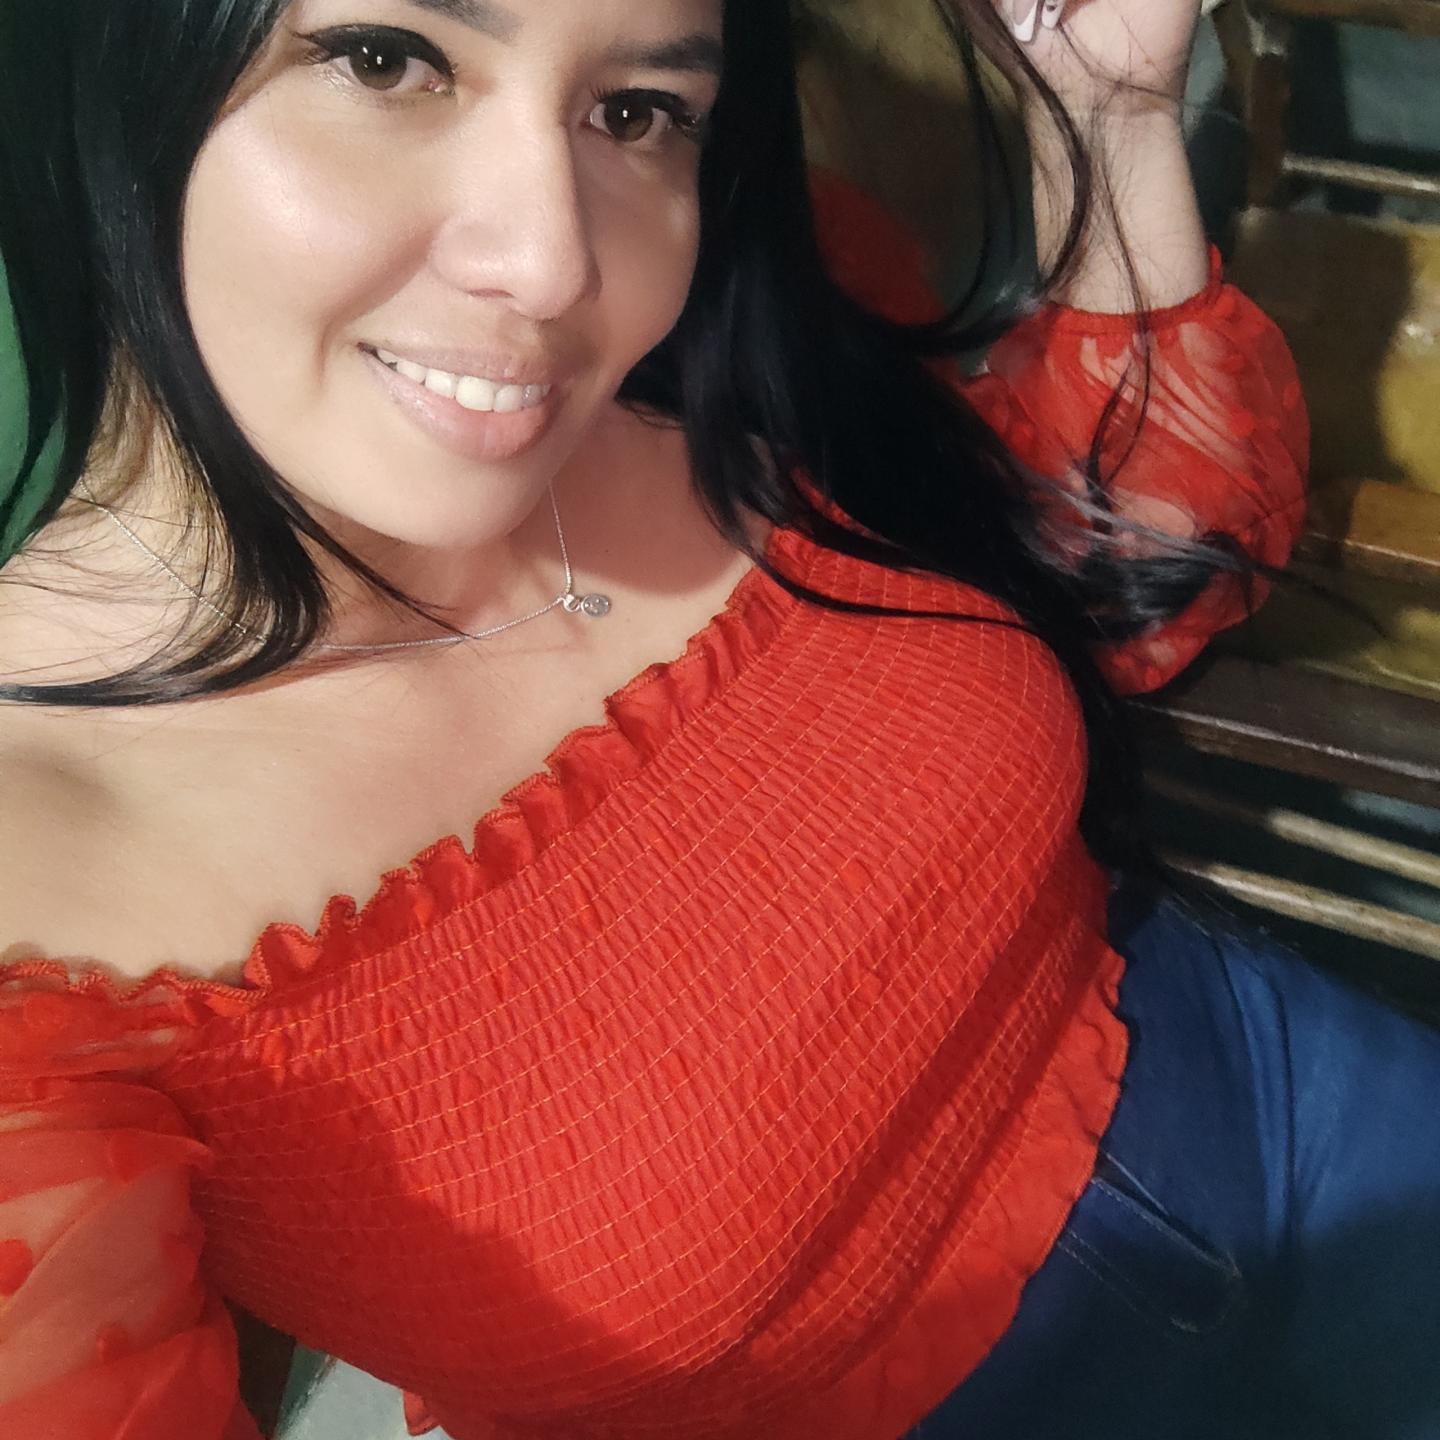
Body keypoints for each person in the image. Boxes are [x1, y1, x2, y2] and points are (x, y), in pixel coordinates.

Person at [0, 2, 1436, 1438]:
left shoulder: (703, 357)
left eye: (637, 112)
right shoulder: (36, 892)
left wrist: (1109, 113)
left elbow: (1133, 574)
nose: (555, 263)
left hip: (1285, 1084)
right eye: (388, 61)